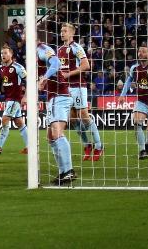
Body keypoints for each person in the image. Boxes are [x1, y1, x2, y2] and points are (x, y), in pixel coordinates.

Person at [59, 23, 103, 161]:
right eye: (61, 31)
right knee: (72, 119)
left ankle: (99, 146)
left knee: (83, 115)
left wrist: (68, 74)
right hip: (66, 88)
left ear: (71, 33)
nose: (62, 33)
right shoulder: (59, 50)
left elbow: (86, 65)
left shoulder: (76, 48)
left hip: (77, 86)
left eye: (65, 31)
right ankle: (87, 144)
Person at [37, 40, 74, 185]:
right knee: (51, 137)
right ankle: (62, 172)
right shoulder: (34, 53)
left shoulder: (42, 49)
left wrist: (45, 78)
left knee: (57, 134)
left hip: (60, 96)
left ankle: (69, 170)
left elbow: (57, 63)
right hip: (53, 97)